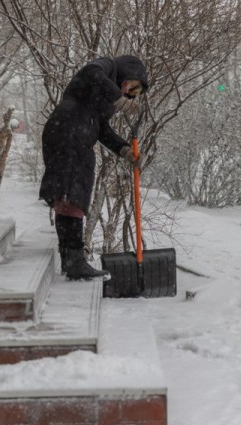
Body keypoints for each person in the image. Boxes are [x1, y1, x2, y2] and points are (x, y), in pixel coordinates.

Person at [40, 55, 148, 280]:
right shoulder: (106, 67)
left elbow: (102, 130)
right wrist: (118, 98)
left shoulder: (101, 102)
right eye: (132, 87)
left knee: (68, 198)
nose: (129, 93)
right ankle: (75, 261)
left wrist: (125, 150)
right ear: (128, 73)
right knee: (73, 194)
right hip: (69, 131)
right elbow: (91, 73)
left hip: (70, 133)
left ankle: (70, 258)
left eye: (134, 93)